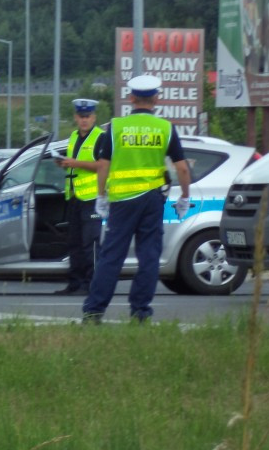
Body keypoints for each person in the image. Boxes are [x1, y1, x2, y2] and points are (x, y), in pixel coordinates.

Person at [82, 75, 191, 324]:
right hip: (152, 200)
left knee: (111, 256)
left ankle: (93, 312)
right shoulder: (165, 128)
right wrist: (184, 196)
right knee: (149, 256)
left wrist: (101, 196)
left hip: (121, 201)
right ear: (156, 98)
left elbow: (102, 166)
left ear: (131, 98)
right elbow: (182, 169)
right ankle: (140, 312)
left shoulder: (116, 127)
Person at [53, 98, 106, 295]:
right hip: (75, 197)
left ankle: (91, 285)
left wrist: (74, 163)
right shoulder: (74, 136)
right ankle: (74, 284)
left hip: (93, 198)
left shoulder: (100, 137)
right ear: (76, 117)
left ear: (94, 117)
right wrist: (64, 163)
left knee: (90, 244)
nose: (84, 120)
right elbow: (74, 163)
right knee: (74, 244)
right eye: (81, 116)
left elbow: (102, 166)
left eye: (88, 116)